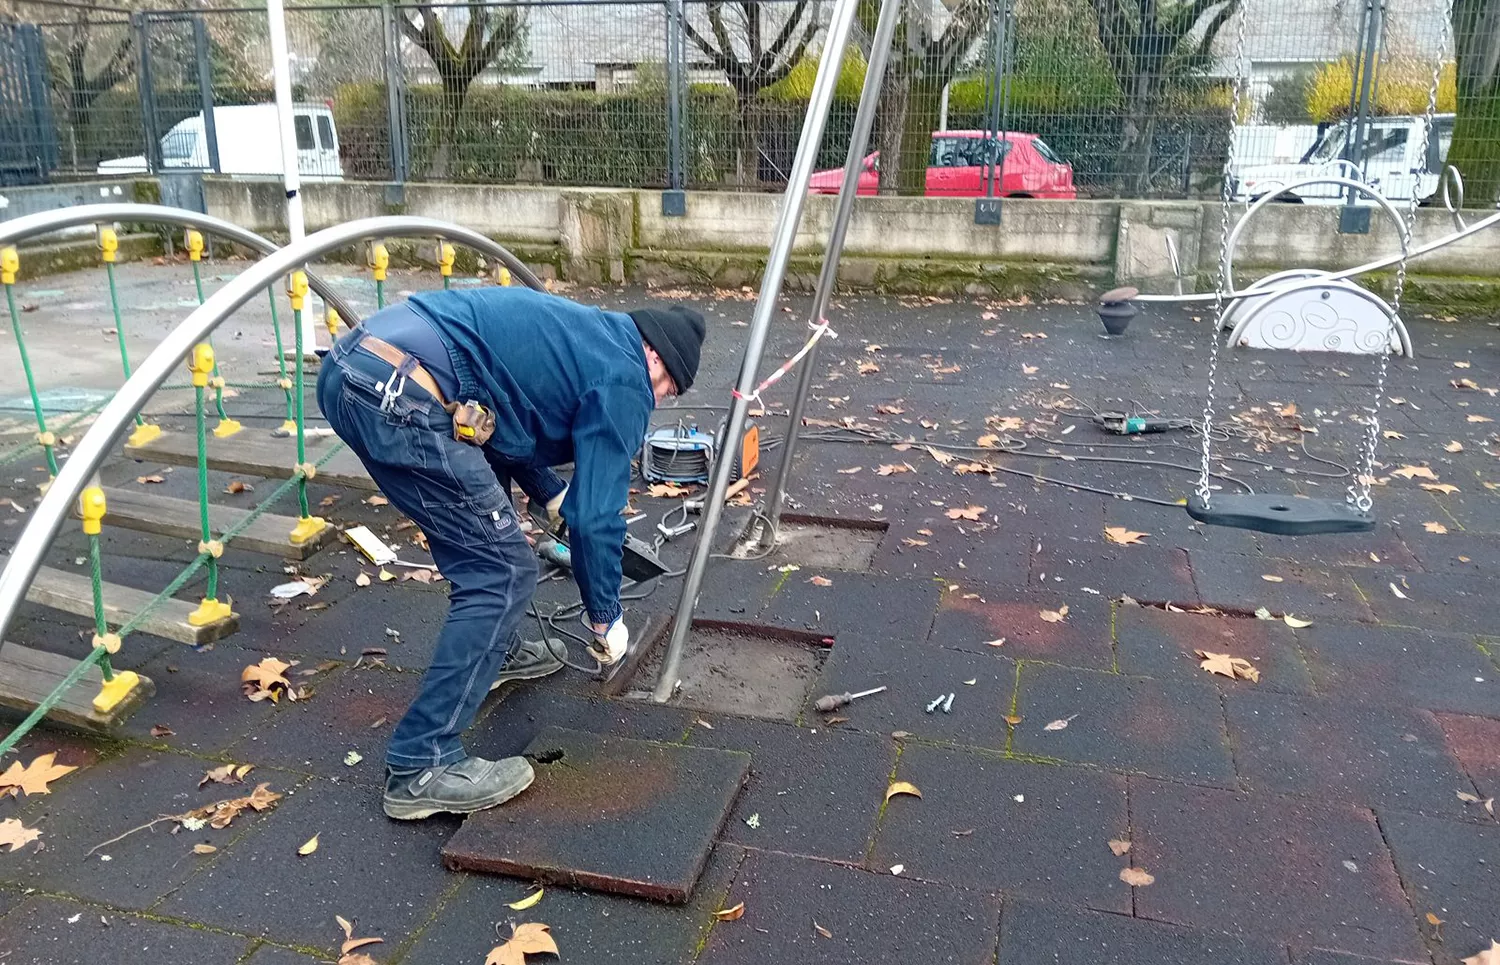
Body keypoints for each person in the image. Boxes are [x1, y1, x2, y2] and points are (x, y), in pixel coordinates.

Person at [316, 285, 705, 820]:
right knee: (501, 572)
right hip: (403, 393)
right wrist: (606, 617)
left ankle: (494, 652)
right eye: (667, 386)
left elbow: (507, 410)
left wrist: (547, 490)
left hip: (354, 368)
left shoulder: (587, 335)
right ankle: (419, 764)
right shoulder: (626, 376)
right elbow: (596, 521)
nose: (659, 398)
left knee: (476, 539)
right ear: (655, 355)